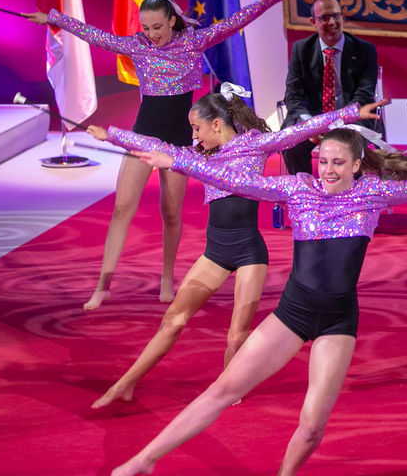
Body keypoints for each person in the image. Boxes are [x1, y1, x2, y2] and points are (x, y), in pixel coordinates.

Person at [108, 127, 407, 476]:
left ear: (358, 165)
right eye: (322, 161)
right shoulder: (298, 188)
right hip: (293, 313)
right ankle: (147, 456)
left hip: (339, 320)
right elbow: (234, 179)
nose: (327, 170)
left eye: (338, 162)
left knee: (311, 425)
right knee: (223, 390)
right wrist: (175, 160)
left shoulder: (373, 192)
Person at [87, 85, 385, 409]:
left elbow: (300, 130)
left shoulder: (255, 145)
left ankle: (226, 391)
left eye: (197, 128)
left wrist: (350, 113)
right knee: (173, 321)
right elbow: (154, 145)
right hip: (214, 252)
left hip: (248, 253)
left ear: (216, 124)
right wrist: (111, 135)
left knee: (236, 336)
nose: (194, 136)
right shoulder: (199, 154)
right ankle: (126, 383)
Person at [25, 0, 305, 310]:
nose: (151, 33)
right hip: (144, 132)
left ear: (172, 19)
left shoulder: (194, 42)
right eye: (145, 27)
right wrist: (56, 18)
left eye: (157, 26)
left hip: (178, 140)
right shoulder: (138, 45)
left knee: (171, 213)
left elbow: (237, 20)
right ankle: (103, 285)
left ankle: (167, 277)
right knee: (121, 209)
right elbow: (97, 37)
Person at [281, 0, 379, 175]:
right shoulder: (301, 49)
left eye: (336, 16)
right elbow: (293, 96)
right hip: (311, 119)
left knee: (352, 144)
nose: (332, 22)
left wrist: (340, 122)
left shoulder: (365, 50)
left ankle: (349, 197)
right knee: (291, 143)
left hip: (351, 118)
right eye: (325, 18)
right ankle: (305, 195)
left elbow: (363, 95)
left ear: (343, 18)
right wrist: (311, 125)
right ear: (313, 22)